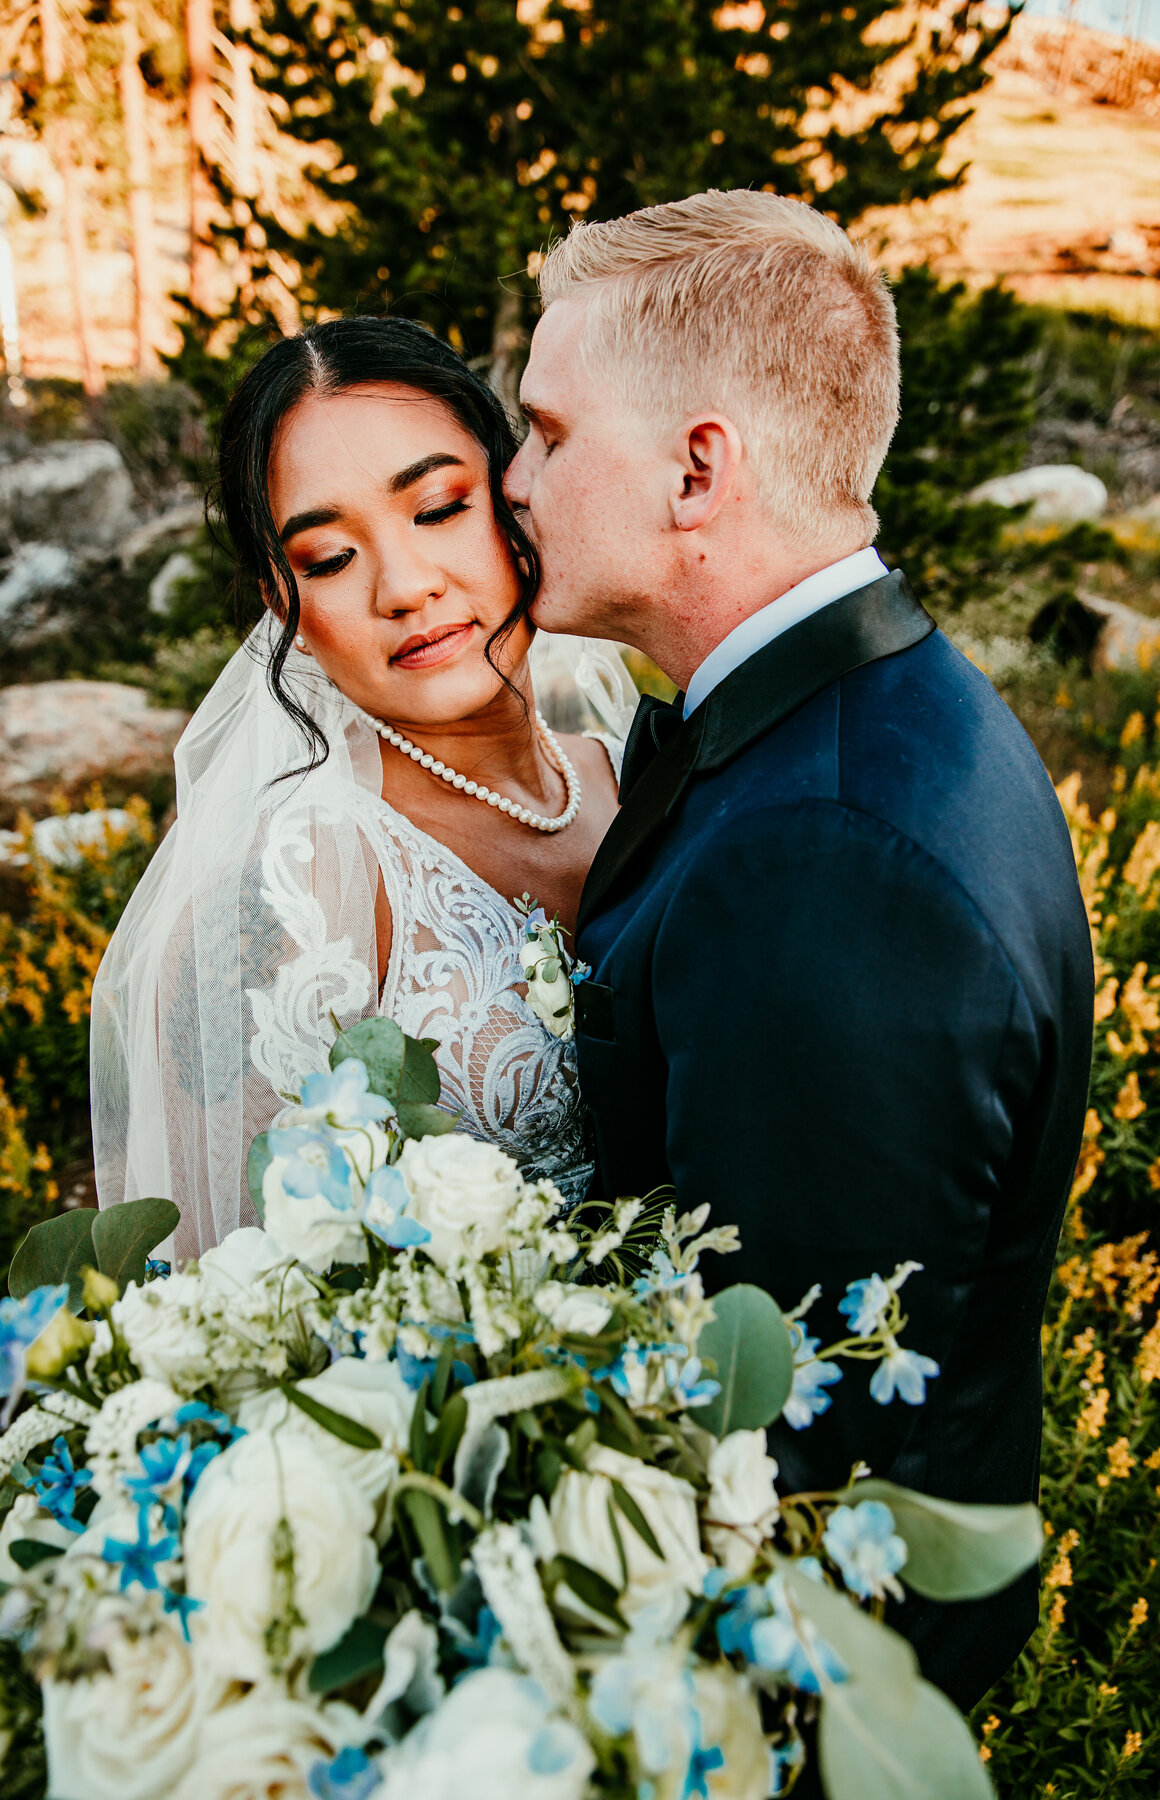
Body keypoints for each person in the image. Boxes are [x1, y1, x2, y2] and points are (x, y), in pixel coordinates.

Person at [505, 190, 1094, 1713]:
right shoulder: (838, 716)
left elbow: (787, 1426)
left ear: (701, 467)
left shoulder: (826, 863)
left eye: (550, 434)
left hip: (797, 1681)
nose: (513, 479)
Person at [91, 317, 632, 1263]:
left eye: (436, 507)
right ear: (282, 605)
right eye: (329, 559)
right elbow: (225, 1301)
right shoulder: (281, 898)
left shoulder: (635, 770)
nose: (404, 587)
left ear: (514, 500)